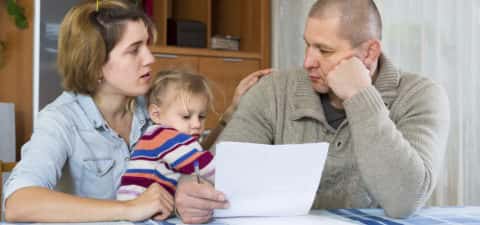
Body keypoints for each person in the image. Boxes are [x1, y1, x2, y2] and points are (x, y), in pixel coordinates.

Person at [174, 0, 450, 223]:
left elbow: (405, 201)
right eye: (308, 44)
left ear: (369, 53)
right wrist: (191, 190)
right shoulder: (272, 90)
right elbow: (216, 176)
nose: (308, 61)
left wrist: (361, 97)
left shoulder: (420, 95)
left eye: (325, 50)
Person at [3, 0, 269, 222]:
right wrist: (129, 208)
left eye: (147, 45)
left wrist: (229, 116)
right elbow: (18, 203)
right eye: (134, 50)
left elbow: (188, 152)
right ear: (95, 64)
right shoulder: (60, 120)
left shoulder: (151, 104)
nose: (150, 58)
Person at [116, 71, 216, 201]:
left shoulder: (161, 135)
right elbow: (201, 164)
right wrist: (235, 175)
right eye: (186, 116)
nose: (197, 124)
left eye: (201, 116)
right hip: (135, 205)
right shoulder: (164, 136)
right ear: (156, 114)